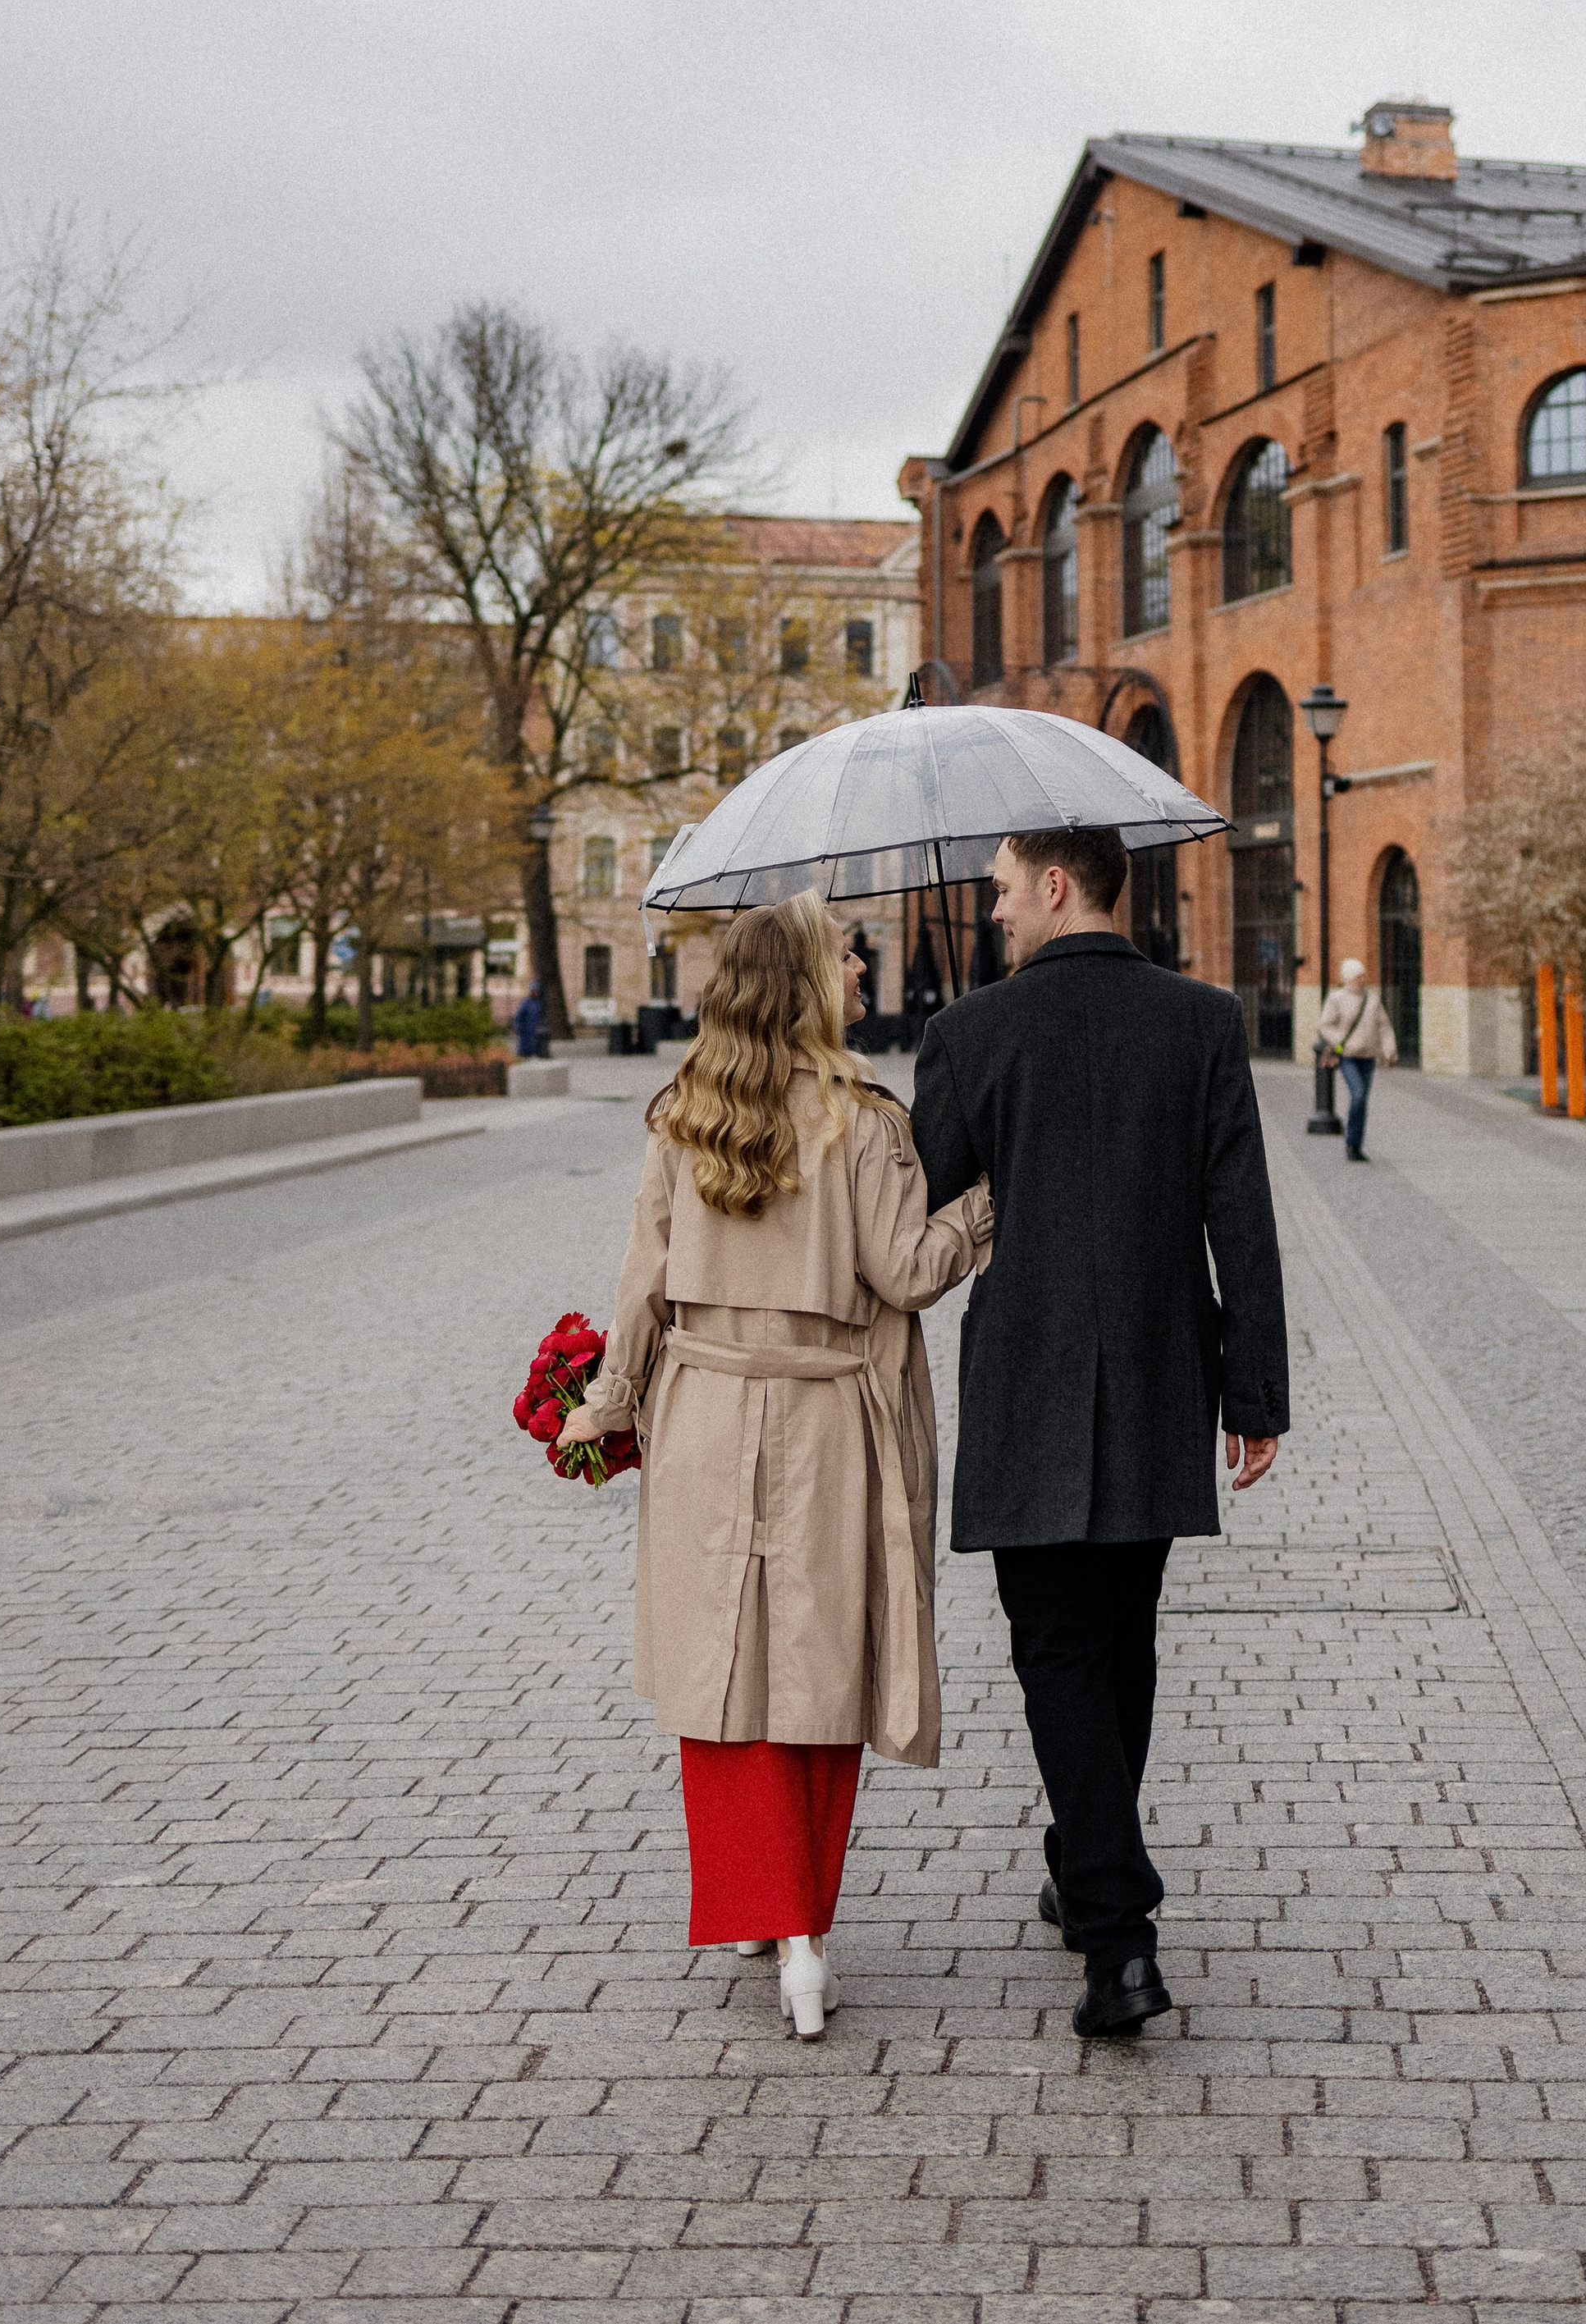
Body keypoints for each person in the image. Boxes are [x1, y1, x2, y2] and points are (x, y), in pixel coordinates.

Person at [559, 894, 991, 2038]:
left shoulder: (680, 1114)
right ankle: (803, 1937)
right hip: (826, 1416)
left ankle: (760, 1906)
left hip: (703, 1409)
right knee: (814, 1664)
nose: (861, 964)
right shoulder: (865, 1120)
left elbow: (639, 1287)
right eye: (845, 951)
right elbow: (908, 1271)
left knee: (722, 1665)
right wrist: (987, 1201)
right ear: (806, 982)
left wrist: (604, 1408)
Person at [912, 827, 1288, 2039]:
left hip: (1028, 1379)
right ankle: (1083, 1863)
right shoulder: (1203, 1019)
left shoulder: (973, 1030)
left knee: (1062, 1653)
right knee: (1121, 1639)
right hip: (1162, 1372)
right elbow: (1244, 1217)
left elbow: (919, 1197)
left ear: (1059, 884)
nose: (999, 909)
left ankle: (1118, 1936)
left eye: (1007, 889)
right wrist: (1254, 1394)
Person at [1314, 956, 1397, 1162]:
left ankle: (1356, 1145)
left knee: (1362, 1101)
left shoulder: (1372, 999)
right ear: (1349, 978)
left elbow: (1384, 1026)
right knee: (1358, 1095)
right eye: (1358, 976)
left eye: (1363, 976)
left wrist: (1390, 1050)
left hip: (1368, 1057)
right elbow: (1325, 1025)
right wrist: (1341, 1041)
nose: (1362, 980)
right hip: (1348, 1056)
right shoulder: (1337, 999)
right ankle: (1351, 1142)